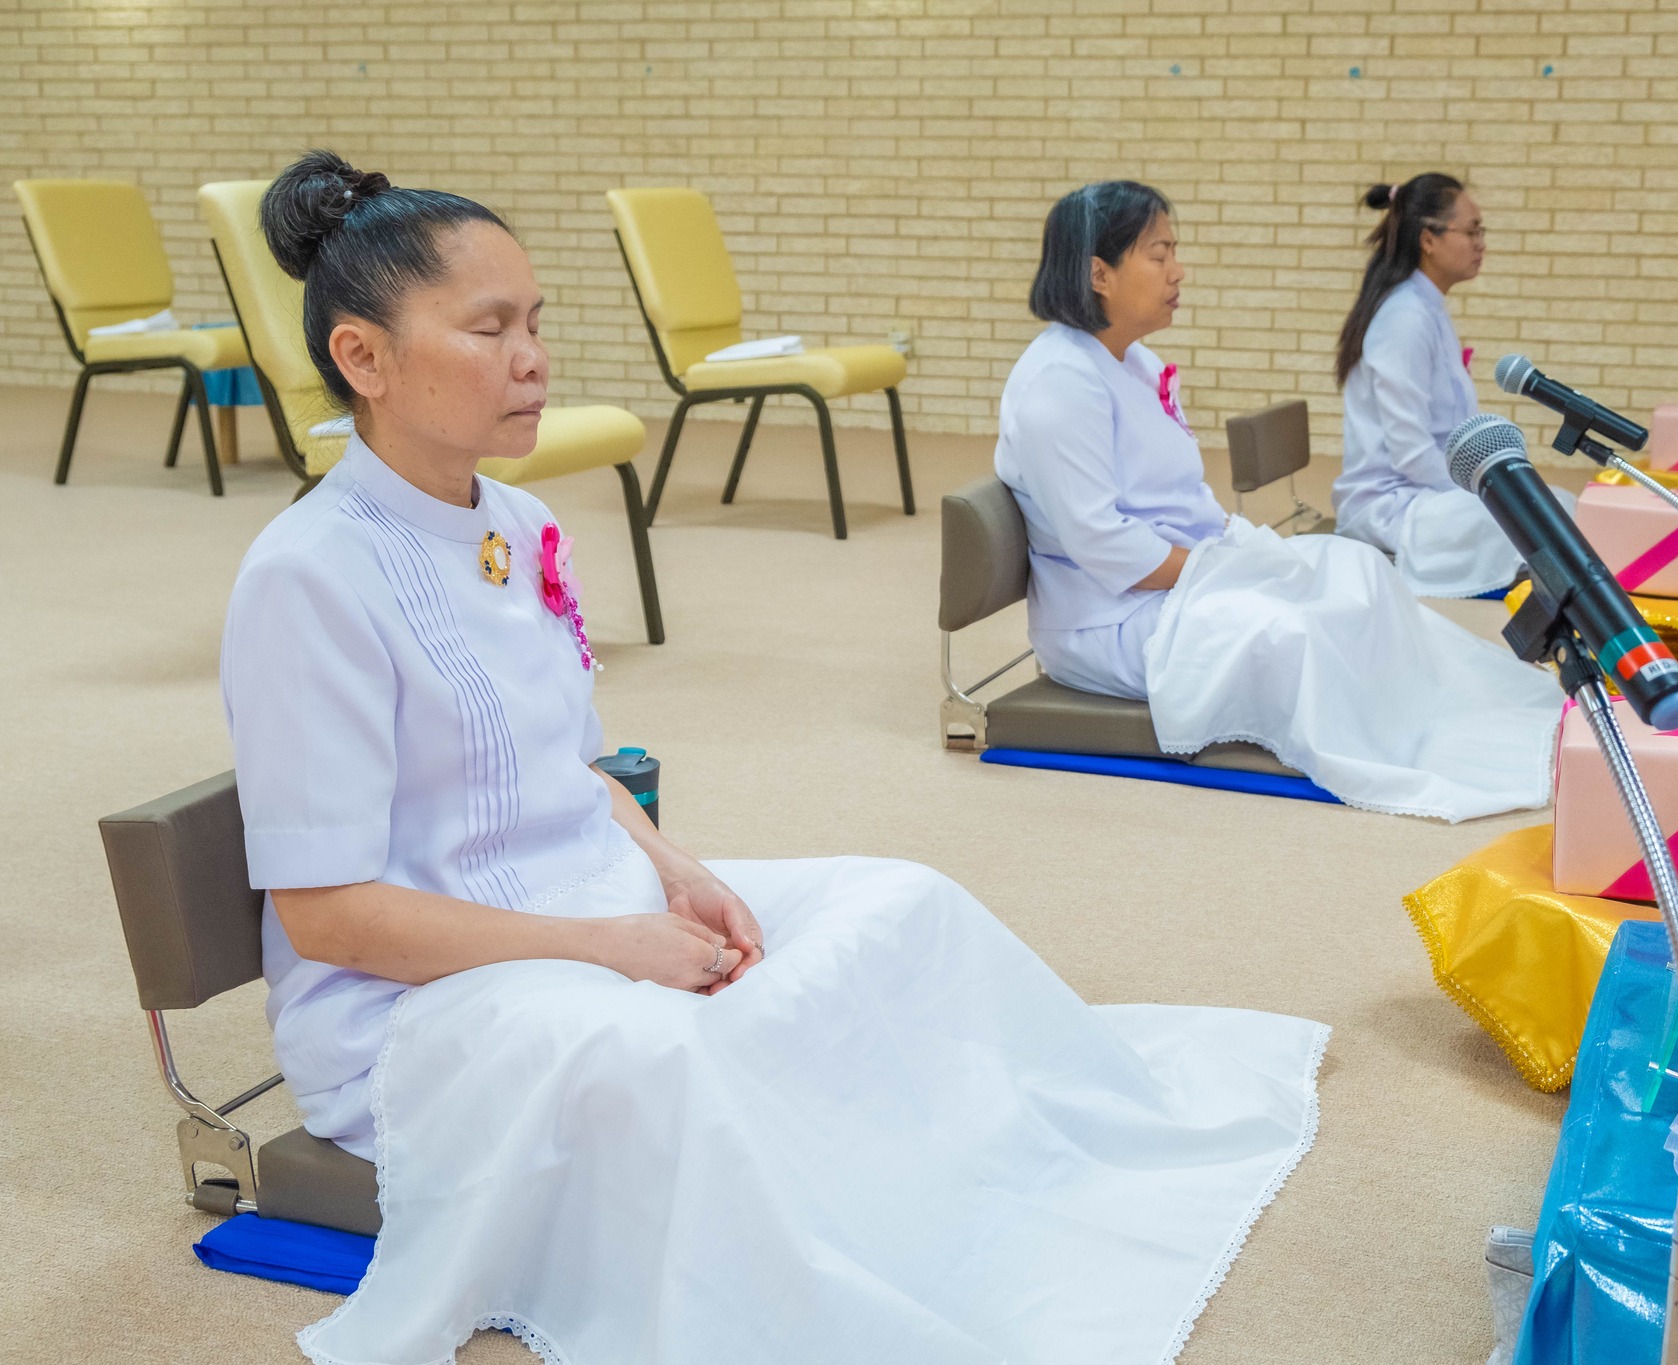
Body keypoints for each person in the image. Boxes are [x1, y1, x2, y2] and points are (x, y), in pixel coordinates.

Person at [222, 151, 1327, 1365]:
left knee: (901, 907)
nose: (532, 359)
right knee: (690, 1051)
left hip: (581, 901)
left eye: (535, 322)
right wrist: (608, 946)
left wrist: (672, 866)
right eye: (488, 328)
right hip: (411, 1011)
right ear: (362, 358)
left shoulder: (518, 524)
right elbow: (327, 916)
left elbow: (571, 770)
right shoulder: (308, 575)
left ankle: (964, 1212)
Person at [993, 181, 1562, 822]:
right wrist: (1228, 565)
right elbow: (1103, 544)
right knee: (1297, 630)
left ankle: (1455, 724)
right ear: (1100, 273)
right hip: (1112, 619)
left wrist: (1247, 553)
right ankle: (1408, 748)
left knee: (1358, 574)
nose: (1178, 271)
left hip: (1176, 582)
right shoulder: (1058, 384)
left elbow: (1185, 500)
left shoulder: (1135, 362)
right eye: (1160, 254)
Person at [1330, 173, 1574, 599]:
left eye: (1482, 231)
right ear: (1429, 239)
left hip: (1426, 493)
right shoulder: (1405, 317)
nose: (1481, 243)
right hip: (1394, 506)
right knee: (1544, 520)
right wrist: (1488, 491)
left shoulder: (1425, 306)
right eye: (1472, 231)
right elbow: (1411, 454)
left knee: (1555, 509)